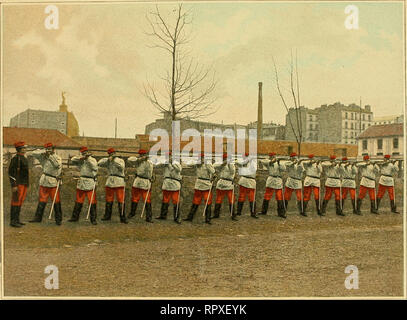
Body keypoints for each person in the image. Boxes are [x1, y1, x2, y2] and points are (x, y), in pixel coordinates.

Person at [29, 142, 63, 225]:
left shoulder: (57, 157)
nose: (48, 150)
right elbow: (33, 153)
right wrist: (43, 152)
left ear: (53, 149)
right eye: (47, 149)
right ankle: (37, 218)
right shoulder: (42, 156)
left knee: (56, 200)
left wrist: (50, 156)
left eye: (50, 149)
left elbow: (57, 165)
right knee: (42, 200)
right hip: (44, 180)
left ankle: (58, 220)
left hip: (53, 181)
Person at [68, 146, 98, 225]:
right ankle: (75, 217)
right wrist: (82, 158)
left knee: (92, 201)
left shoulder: (92, 160)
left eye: (85, 152)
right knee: (79, 200)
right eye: (82, 153)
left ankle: (93, 219)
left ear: (87, 152)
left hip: (90, 181)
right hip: (82, 181)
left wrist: (87, 159)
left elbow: (95, 168)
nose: (84, 154)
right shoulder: (80, 159)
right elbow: (72, 160)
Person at [183, 152, 215, 224]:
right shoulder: (197, 164)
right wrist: (196, 162)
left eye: (202, 158)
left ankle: (208, 219)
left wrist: (213, 177)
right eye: (199, 158)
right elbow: (188, 164)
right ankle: (190, 217)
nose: (201, 159)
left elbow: (213, 172)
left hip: (206, 184)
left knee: (208, 202)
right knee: (195, 201)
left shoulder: (208, 164)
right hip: (199, 184)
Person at [98, 148, 128, 223]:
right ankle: (107, 216)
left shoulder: (120, 160)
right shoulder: (107, 160)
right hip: (110, 180)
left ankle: (122, 217)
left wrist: (114, 160)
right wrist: (108, 160)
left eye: (113, 153)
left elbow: (121, 168)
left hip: (119, 181)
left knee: (121, 200)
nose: (112, 155)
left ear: (115, 153)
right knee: (109, 199)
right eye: (110, 154)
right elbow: (99, 163)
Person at [127, 149, 154, 222]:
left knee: (147, 200)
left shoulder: (150, 162)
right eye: (141, 155)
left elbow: (151, 171)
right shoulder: (137, 161)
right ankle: (132, 213)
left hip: (146, 182)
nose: (143, 156)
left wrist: (152, 177)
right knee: (134, 198)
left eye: (144, 155)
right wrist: (140, 159)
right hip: (138, 181)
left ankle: (149, 217)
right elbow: (129, 160)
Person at [156, 151, 182, 224]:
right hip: (167, 183)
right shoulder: (165, 163)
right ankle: (163, 215)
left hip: (175, 184)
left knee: (175, 201)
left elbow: (179, 169)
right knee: (165, 200)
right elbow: (156, 166)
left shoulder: (177, 163)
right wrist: (163, 163)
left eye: (170, 156)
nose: (168, 158)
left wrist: (172, 163)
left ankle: (177, 217)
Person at [8, 141, 29, 227]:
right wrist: (14, 185)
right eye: (24, 148)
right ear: (19, 149)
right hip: (18, 184)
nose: (25, 149)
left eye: (25, 148)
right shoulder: (15, 159)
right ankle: (13, 221)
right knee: (15, 202)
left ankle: (17, 220)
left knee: (20, 201)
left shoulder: (24, 158)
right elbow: (11, 173)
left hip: (24, 183)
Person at [258, 152, 286, 218]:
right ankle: (263, 211)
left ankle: (281, 213)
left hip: (278, 179)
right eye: (271, 156)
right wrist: (272, 161)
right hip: (271, 179)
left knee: (279, 197)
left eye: (273, 156)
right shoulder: (267, 161)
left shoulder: (279, 163)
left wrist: (279, 163)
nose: (272, 157)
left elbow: (283, 169)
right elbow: (265, 162)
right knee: (267, 196)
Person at [213, 152, 238, 221]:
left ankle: (233, 215)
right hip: (221, 182)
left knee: (231, 199)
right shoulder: (220, 164)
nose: (225, 159)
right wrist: (222, 164)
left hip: (229, 183)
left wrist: (228, 163)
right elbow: (214, 166)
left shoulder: (232, 164)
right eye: (224, 158)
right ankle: (216, 214)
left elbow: (232, 172)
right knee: (218, 199)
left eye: (226, 158)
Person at [236, 152, 258, 219]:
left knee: (252, 198)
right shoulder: (242, 162)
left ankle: (253, 213)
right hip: (244, 180)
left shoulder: (253, 162)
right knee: (241, 197)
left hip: (251, 181)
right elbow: (240, 163)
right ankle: (238, 212)